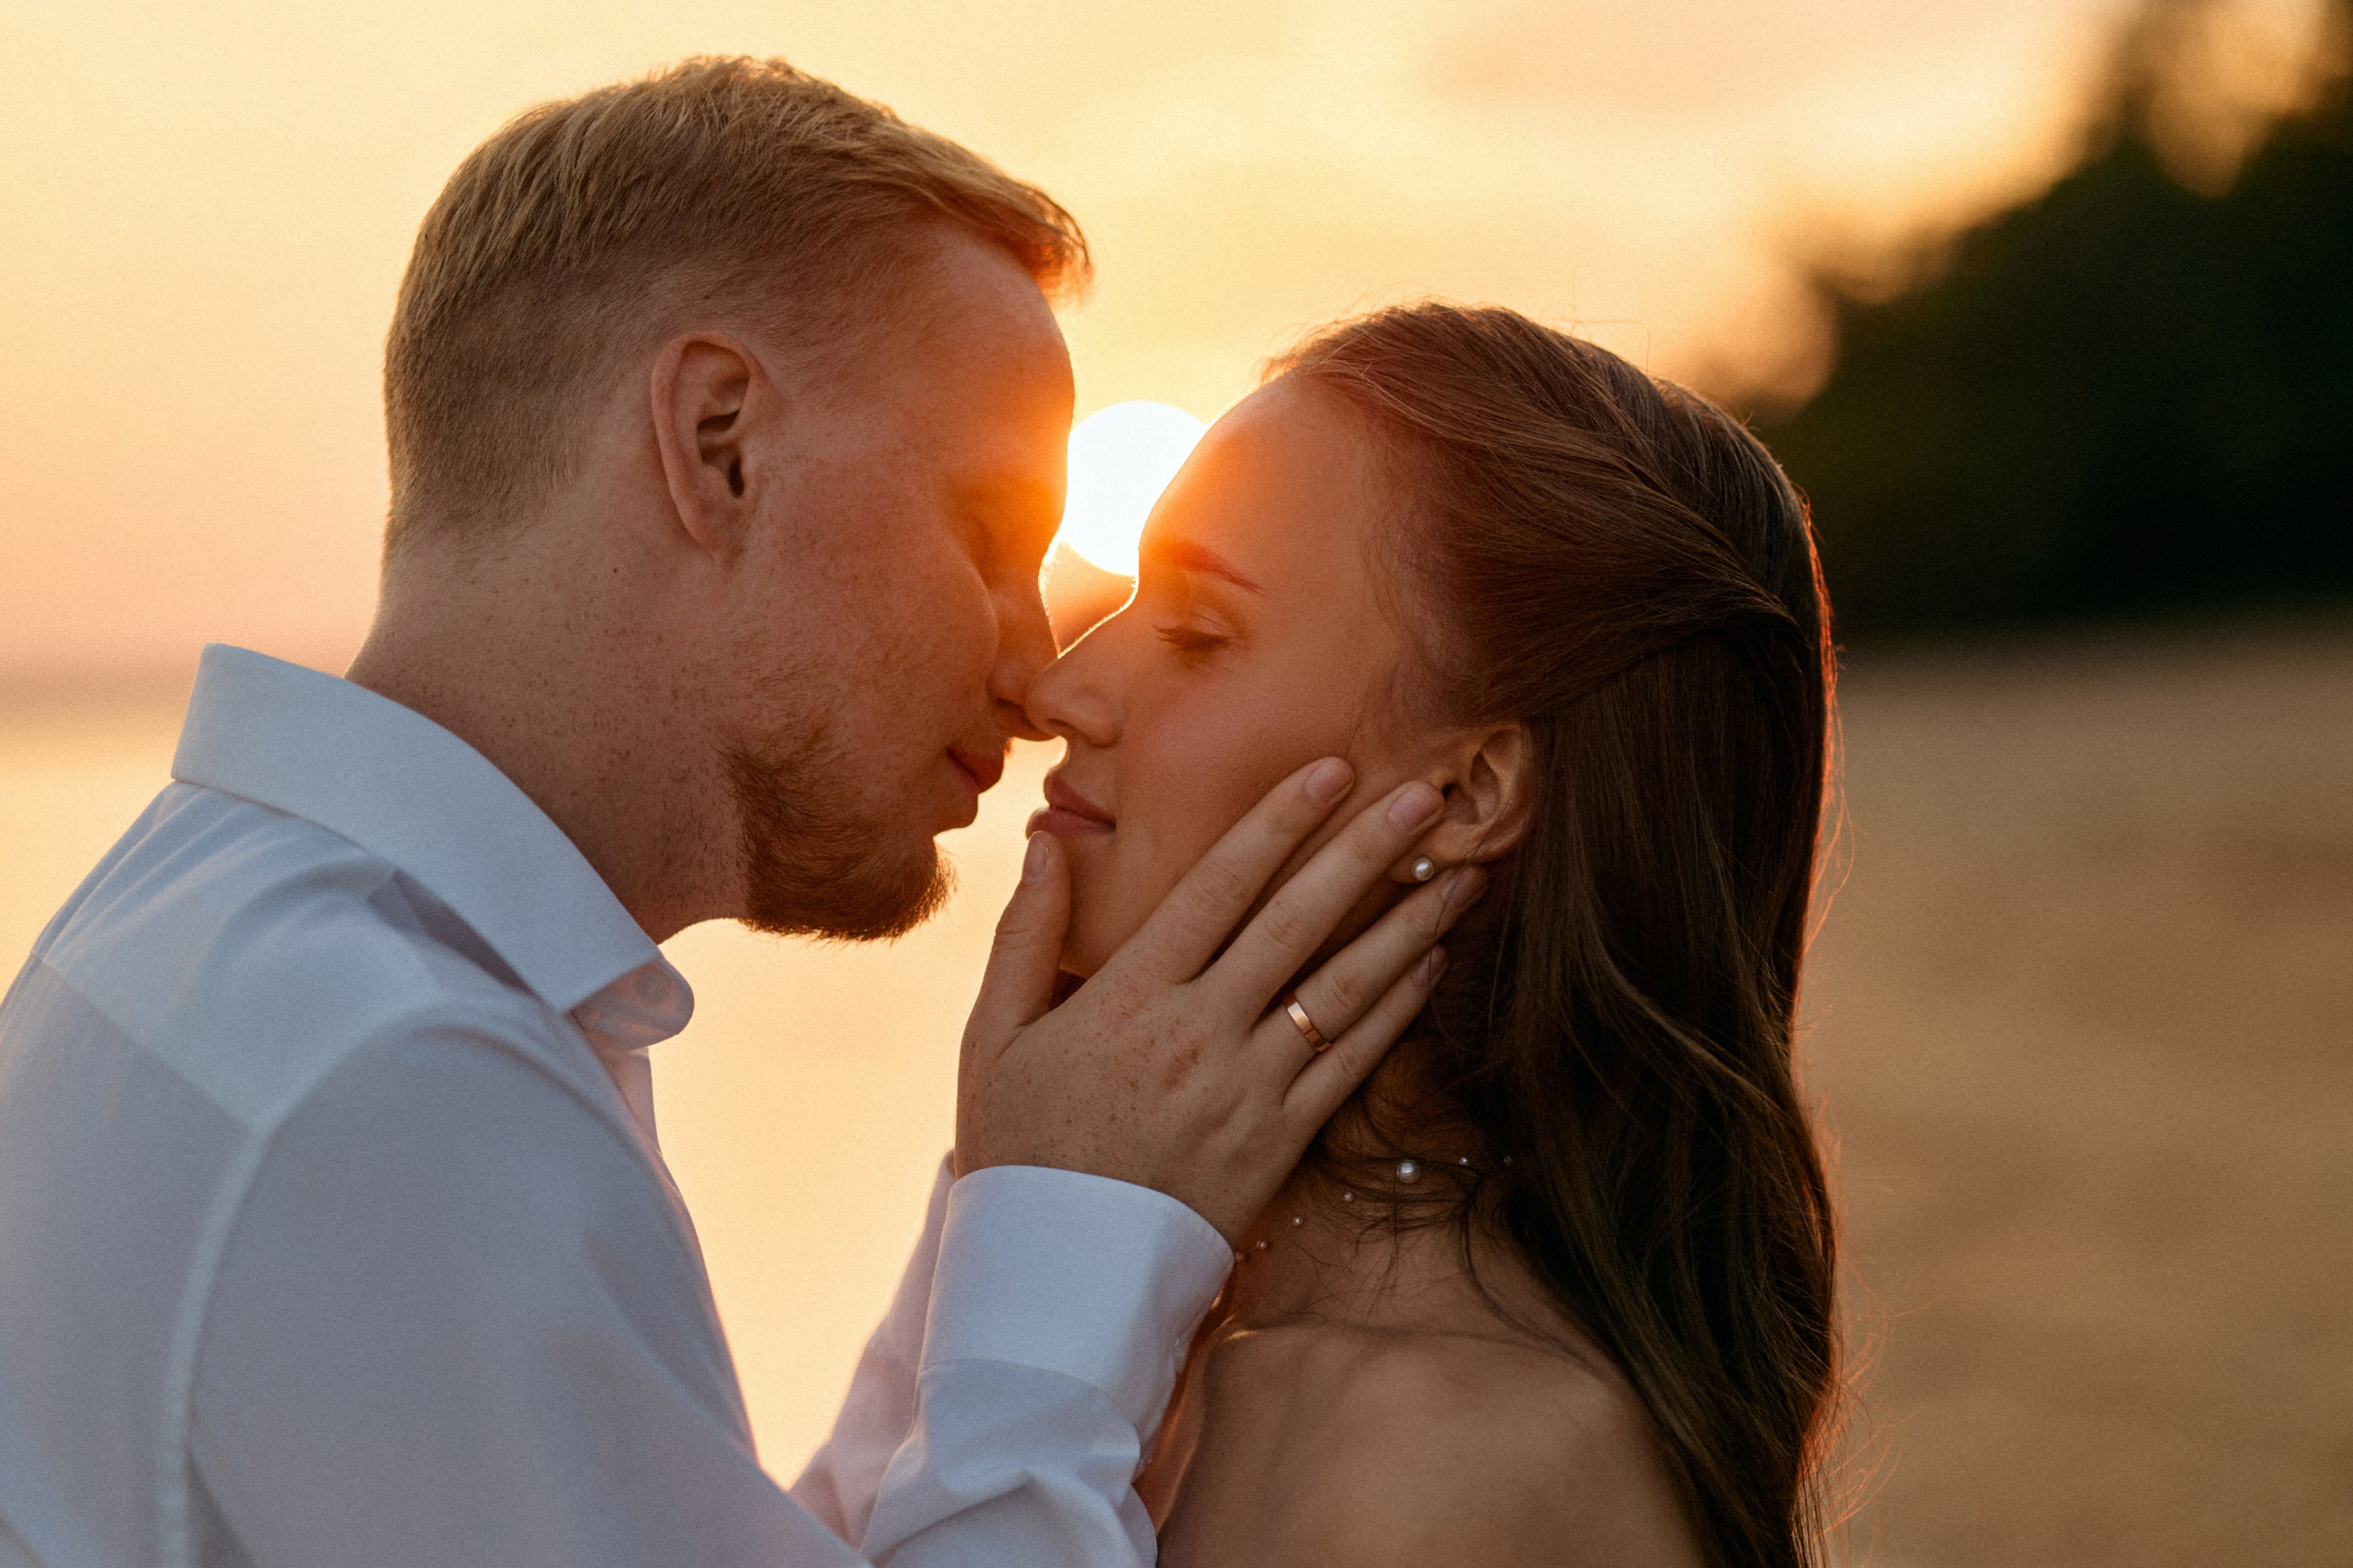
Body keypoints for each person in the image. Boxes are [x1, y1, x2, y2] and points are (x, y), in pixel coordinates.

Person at [0, 60, 1476, 1568]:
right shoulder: (385, 1077)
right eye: (988, 533)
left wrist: (1019, 1195)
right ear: (721, 445)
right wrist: (1078, 1242)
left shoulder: (226, 949)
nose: (1038, 673)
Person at [816, 303, 1847, 1567]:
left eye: (1198, 634)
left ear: (1468, 794)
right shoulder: (1176, 1334)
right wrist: (1020, 1194)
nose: (1062, 685)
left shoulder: (1421, 1461)